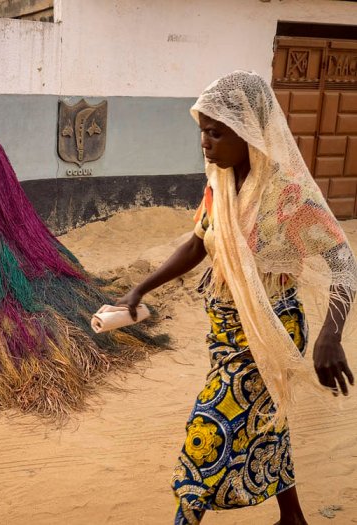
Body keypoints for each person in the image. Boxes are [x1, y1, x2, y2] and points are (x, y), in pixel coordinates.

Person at [116, 71, 356, 524]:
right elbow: (196, 244)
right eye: (202, 131)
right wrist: (140, 286)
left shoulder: (289, 194)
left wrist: (331, 334)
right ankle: (294, 518)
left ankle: (185, 516)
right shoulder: (219, 184)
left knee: (206, 431)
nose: (205, 142)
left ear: (247, 131)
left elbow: (344, 262)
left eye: (216, 132)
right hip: (226, 328)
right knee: (267, 419)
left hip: (273, 328)